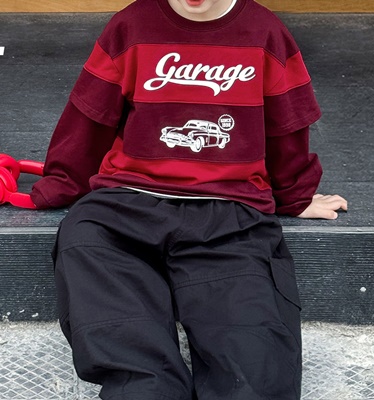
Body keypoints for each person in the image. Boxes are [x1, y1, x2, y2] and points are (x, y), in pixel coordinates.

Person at [30, 0, 347, 399]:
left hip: (229, 216)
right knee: (87, 245)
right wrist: (59, 183)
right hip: (126, 204)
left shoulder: (265, 34)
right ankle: (146, 385)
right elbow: (89, 116)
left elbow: (288, 125)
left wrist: (295, 195)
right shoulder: (130, 26)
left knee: (254, 364)